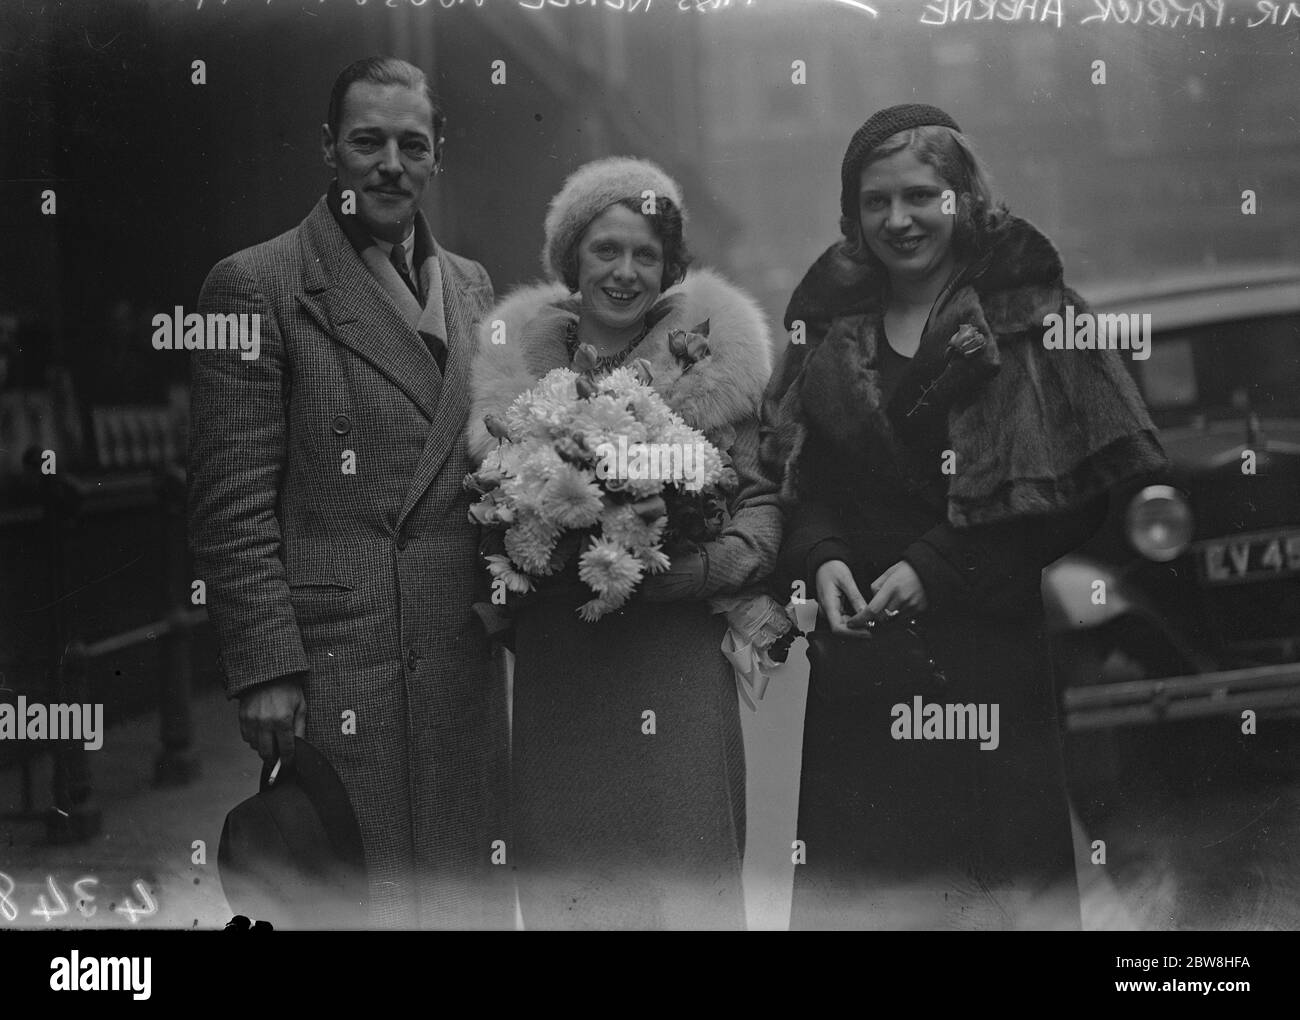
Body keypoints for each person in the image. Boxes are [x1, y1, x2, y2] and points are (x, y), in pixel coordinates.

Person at [759, 104, 1165, 929]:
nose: (899, 220)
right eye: (877, 201)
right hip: (862, 671)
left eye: (921, 196)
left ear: (962, 198)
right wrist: (823, 557)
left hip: (988, 662)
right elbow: (795, 481)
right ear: (853, 211)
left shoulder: (1033, 311)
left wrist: (938, 569)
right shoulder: (827, 328)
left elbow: (1081, 494)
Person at [188, 57, 510, 929]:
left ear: (437, 153)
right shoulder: (258, 284)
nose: (389, 165)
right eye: (367, 142)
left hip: (456, 652)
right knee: (356, 893)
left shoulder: (474, 285)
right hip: (339, 659)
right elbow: (233, 504)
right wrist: (265, 668)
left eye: (411, 144)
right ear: (329, 148)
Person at [468, 157, 782, 929]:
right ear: (571, 258)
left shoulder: (714, 369)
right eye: (605, 250)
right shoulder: (512, 377)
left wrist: (691, 569)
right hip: (562, 671)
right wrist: (530, 550)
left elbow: (763, 504)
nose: (624, 271)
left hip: (672, 666)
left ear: (671, 268)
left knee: (686, 880)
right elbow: (473, 517)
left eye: (646, 254)